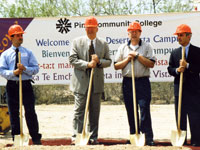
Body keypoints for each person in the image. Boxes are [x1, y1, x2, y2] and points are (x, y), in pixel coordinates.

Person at [69, 16, 112, 145]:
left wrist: (99, 61)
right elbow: (72, 60)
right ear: (85, 28)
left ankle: (93, 137)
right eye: (88, 28)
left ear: (97, 28)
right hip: (81, 83)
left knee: (95, 112)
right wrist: (87, 65)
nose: (90, 30)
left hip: (96, 83)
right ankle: (76, 136)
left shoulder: (103, 44)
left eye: (92, 28)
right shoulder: (76, 42)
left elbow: (109, 61)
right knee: (79, 111)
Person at [114, 22, 156, 146]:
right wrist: (127, 58)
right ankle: (134, 135)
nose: (134, 33)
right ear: (128, 33)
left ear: (140, 33)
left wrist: (137, 56)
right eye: (131, 31)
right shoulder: (122, 48)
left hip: (142, 82)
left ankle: (147, 137)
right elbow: (116, 66)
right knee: (131, 110)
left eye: (136, 31)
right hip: (128, 82)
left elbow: (151, 64)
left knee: (144, 109)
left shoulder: (147, 46)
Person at [0, 24, 42, 145]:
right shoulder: (6, 55)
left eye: (21, 35)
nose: (20, 37)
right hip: (12, 86)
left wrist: (25, 69)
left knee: (30, 111)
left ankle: (35, 138)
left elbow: (35, 68)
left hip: (26, 85)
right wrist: (13, 72)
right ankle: (17, 138)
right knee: (13, 113)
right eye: (17, 35)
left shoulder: (28, 53)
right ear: (11, 37)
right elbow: (1, 70)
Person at [168, 24, 200, 146]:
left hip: (194, 90)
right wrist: (177, 70)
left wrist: (187, 66)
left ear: (189, 36)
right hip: (179, 90)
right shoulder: (174, 53)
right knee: (180, 116)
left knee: (195, 116)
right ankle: (182, 140)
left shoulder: (197, 51)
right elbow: (170, 68)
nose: (179, 37)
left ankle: (196, 141)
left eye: (181, 35)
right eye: (178, 35)